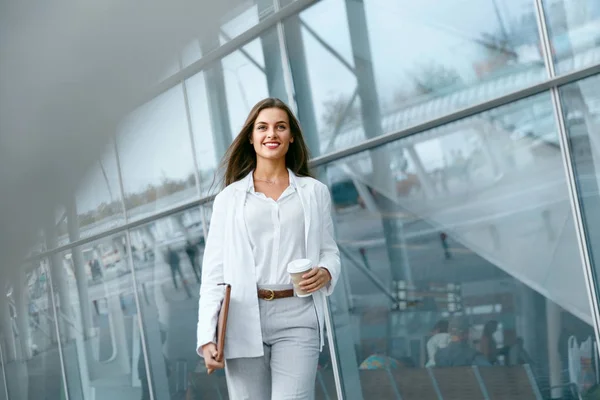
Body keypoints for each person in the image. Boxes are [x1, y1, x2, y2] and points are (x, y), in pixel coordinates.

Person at [196, 98, 340, 400]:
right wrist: (207, 336)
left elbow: (329, 250)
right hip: (243, 316)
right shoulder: (229, 199)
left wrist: (326, 271)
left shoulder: (314, 193)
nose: (271, 134)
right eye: (262, 127)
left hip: (299, 316)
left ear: (290, 137)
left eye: (280, 127)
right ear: (251, 137)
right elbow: (214, 273)